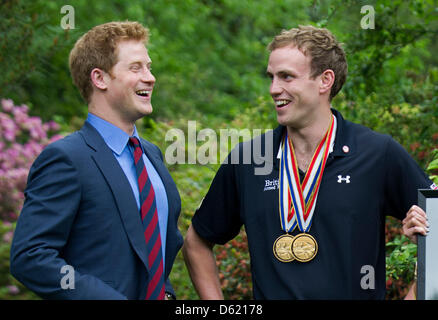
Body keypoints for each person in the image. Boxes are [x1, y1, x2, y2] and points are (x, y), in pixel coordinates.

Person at [182, 25, 431, 299]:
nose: (274, 89)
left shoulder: (377, 153)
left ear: (325, 80)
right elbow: (196, 242)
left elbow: (437, 229)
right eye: (272, 77)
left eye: (287, 77)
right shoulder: (249, 159)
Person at [10, 21, 183, 300]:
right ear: (99, 78)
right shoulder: (66, 159)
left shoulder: (151, 155)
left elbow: (158, 254)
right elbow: (30, 257)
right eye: (136, 67)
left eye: (149, 67)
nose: (150, 77)